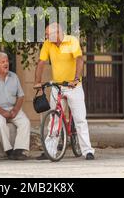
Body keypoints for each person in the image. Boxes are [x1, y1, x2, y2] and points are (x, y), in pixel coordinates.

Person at [34, 23, 95, 160]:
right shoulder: (48, 44)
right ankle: (50, 151)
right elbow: (41, 62)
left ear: (57, 34)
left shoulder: (72, 41)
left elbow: (79, 60)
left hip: (73, 86)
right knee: (54, 119)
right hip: (58, 86)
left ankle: (88, 151)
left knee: (80, 120)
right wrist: (37, 82)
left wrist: (75, 79)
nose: (46, 37)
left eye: (48, 34)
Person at [0, 52, 30, 160]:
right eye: (2, 62)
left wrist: (15, 110)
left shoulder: (14, 77)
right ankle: (8, 150)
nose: (6, 64)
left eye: (7, 61)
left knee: (25, 122)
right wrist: (3, 112)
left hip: (12, 108)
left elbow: (21, 96)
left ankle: (19, 150)